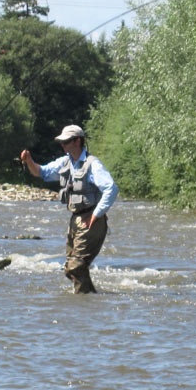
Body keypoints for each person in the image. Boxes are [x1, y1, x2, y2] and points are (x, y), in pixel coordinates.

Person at [20, 125, 119, 293]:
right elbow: (41, 172)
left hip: (91, 219)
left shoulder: (93, 165)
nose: (63, 145)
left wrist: (96, 214)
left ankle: (85, 301)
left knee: (76, 266)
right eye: (62, 141)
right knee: (69, 268)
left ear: (77, 141)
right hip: (75, 219)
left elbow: (112, 188)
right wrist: (29, 160)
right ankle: (89, 298)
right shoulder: (65, 161)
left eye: (66, 141)